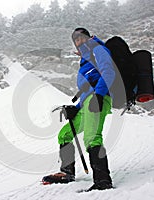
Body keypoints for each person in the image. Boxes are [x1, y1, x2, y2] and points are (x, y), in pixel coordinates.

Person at [43, 28, 115, 191]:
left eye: (81, 37)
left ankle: (103, 181)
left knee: (91, 137)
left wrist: (99, 95)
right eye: (75, 40)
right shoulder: (84, 60)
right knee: (65, 134)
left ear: (89, 37)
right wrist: (75, 108)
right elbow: (86, 91)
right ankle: (67, 172)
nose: (79, 41)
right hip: (88, 102)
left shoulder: (97, 49)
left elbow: (109, 72)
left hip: (100, 98)